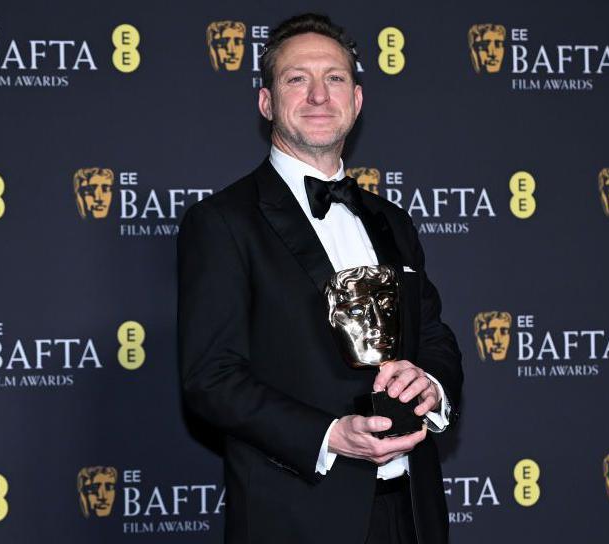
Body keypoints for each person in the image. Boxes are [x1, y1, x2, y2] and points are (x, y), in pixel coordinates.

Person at [178, 13, 462, 544]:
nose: (317, 95)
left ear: (356, 100)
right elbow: (210, 379)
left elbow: (434, 337)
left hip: (412, 515)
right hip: (296, 517)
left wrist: (432, 386)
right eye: (295, 78)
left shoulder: (391, 219)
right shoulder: (222, 221)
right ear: (266, 103)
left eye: (334, 78)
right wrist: (331, 436)